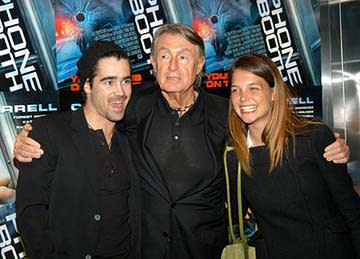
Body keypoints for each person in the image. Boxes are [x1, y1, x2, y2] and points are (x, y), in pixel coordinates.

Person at [14, 24, 350, 259]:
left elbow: (269, 134)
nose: (172, 66)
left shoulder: (226, 113)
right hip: (142, 250)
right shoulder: (132, 105)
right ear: (153, 65)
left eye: (184, 56)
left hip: (203, 249)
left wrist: (328, 143)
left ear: (201, 64)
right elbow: (91, 118)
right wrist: (28, 137)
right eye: (164, 56)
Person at [227, 53, 360, 259]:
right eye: (236, 90)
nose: (243, 98)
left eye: (253, 88)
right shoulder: (234, 156)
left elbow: (351, 210)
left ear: (273, 92)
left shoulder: (312, 137)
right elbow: (235, 213)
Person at [15, 41, 140, 259]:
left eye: (126, 81)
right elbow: (31, 215)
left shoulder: (131, 137)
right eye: (109, 82)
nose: (120, 91)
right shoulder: (48, 132)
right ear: (87, 86)